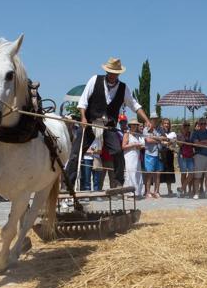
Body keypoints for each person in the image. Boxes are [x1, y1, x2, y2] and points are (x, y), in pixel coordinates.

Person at [65, 57, 151, 190]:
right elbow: (83, 102)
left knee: (117, 151)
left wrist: (146, 120)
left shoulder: (123, 88)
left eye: (115, 73)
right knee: (76, 153)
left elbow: (135, 105)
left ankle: (118, 183)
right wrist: (83, 117)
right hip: (90, 124)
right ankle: (67, 185)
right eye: (110, 72)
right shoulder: (95, 80)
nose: (112, 75)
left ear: (119, 74)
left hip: (108, 126)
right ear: (106, 71)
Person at [190, 118, 207, 199]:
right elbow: (196, 143)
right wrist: (206, 142)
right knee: (197, 176)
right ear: (199, 124)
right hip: (199, 155)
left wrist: (202, 142)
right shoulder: (195, 133)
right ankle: (196, 193)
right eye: (201, 124)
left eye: (205, 123)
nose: (203, 125)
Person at [142, 115, 165, 199]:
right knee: (149, 174)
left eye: (156, 119)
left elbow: (164, 138)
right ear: (150, 119)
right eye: (153, 119)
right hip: (149, 154)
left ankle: (156, 191)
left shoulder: (160, 129)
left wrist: (159, 139)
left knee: (158, 174)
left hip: (158, 153)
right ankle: (148, 192)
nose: (155, 120)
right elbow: (148, 140)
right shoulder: (146, 129)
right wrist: (159, 140)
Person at [122, 119, 145, 197]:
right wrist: (133, 145)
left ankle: (137, 191)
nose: (135, 126)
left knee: (137, 172)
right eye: (133, 125)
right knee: (130, 173)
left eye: (136, 125)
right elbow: (123, 146)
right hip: (129, 156)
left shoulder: (136, 135)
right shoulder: (127, 134)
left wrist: (139, 146)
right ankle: (129, 192)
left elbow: (138, 146)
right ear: (130, 125)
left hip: (136, 155)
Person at [158, 118, 177, 196]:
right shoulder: (159, 132)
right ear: (162, 124)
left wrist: (167, 143)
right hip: (161, 153)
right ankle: (157, 191)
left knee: (169, 171)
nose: (166, 125)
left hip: (169, 154)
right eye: (165, 123)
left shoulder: (173, 133)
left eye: (168, 123)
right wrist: (168, 142)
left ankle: (169, 190)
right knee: (159, 171)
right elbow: (161, 142)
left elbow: (174, 144)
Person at [176, 121, 194, 198]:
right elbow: (180, 144)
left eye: (188, 125)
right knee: (183, 174)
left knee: (192, 173)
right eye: (185, 125)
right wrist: (183, 134)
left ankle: (182, 188)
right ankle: (184, 191)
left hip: (190, 156)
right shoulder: (179, 134)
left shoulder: (191, 134)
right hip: (182, 156)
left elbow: (193, 143)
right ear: (182, 126)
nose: (187, 127)